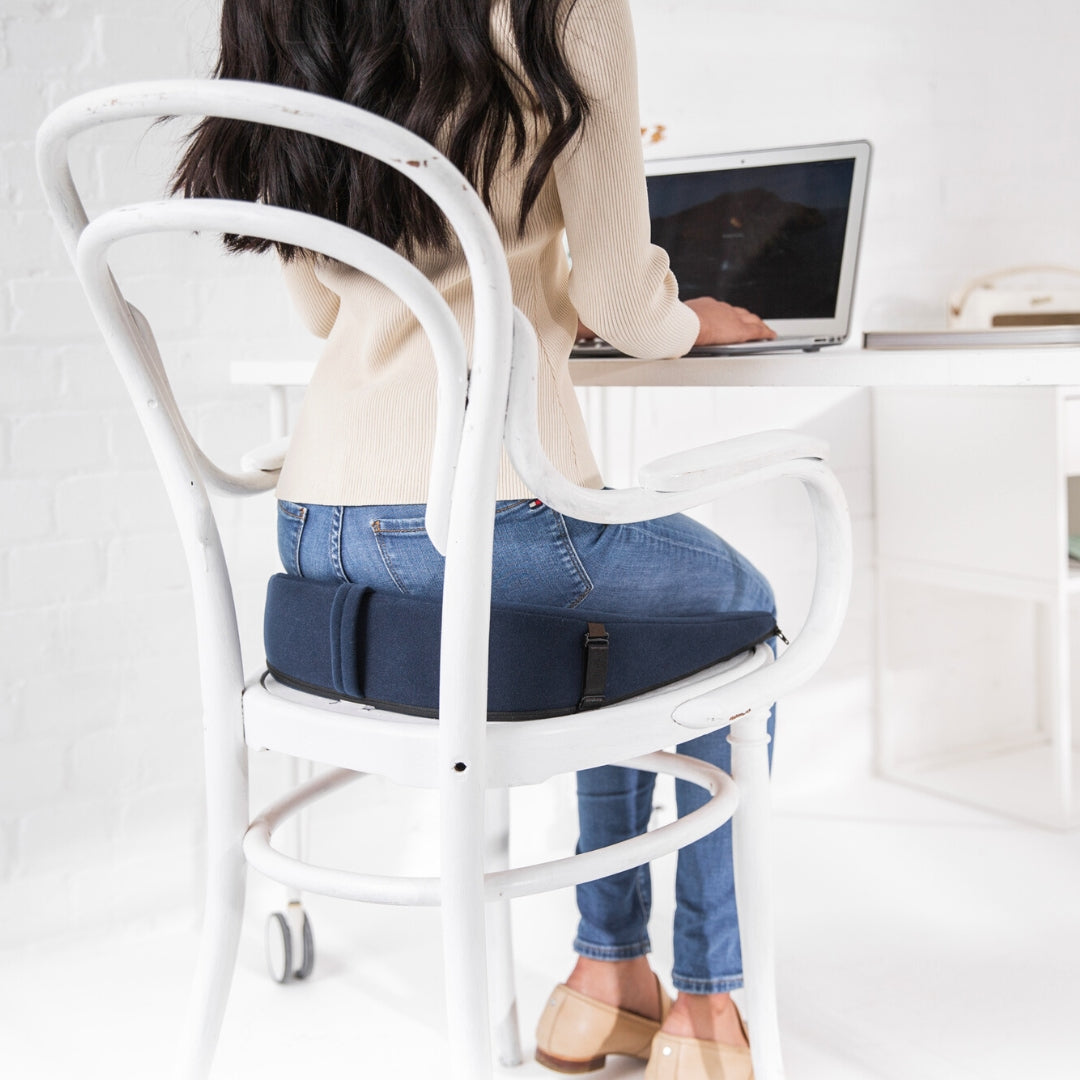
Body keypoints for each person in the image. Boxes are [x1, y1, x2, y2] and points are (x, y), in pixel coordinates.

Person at [174, 1, 776, 1076]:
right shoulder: (563, 8)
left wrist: (512, 266)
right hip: (486, 520)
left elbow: (323, 312)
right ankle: (705, 1008)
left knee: (606, 627)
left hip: (313, 536)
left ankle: (605, 982)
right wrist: (688, 318)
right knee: (737, 615)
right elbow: (626, 301)